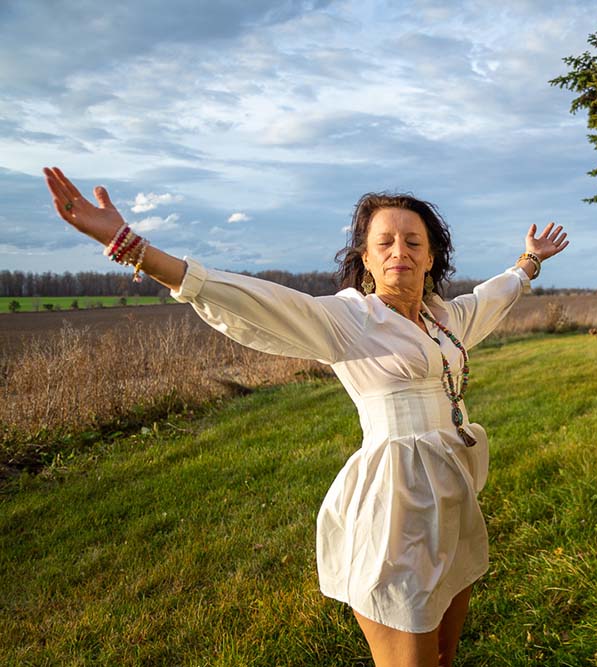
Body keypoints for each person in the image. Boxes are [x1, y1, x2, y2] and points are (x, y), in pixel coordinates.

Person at [43, 167, 569, 667]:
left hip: (452, 496)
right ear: (366, 258)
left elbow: (492, 297)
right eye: (384, 242)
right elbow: (258, 301)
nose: (399, 252)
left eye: (413, 242)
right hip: (396, 504)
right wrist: (136, 249)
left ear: (431, 257)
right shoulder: (349, 320)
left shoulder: (445, 318)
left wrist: (529, 262)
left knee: (444, 654)